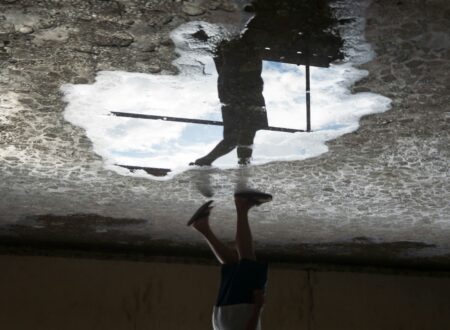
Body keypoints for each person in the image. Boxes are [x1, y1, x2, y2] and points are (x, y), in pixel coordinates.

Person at [187, 191, 272, 330]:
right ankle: (202, 226)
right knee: (233, 265)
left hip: (238, 315)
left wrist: (258, 308)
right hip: (221, 320)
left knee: (247, 260)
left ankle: (242, 206)